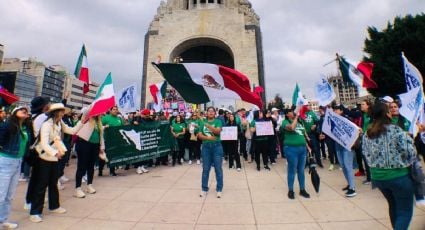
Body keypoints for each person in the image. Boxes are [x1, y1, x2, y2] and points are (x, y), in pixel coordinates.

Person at [362, 101, 417, 230]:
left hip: (378, 178)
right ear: (387, 114)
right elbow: (411, 152)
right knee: (405, 211)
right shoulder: (396, 130)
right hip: (398, 176)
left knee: (393, 205)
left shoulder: (367, 133)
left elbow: (365, 153)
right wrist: (409, 140)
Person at [29, 103, 84, 223]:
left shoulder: (59, 123)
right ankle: (35, 212)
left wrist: (82, 121)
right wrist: (55, 153)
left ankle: (54, 206)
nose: (63, 113)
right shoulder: (47, 125)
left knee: (53, 183)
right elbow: (44, 143)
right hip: (44, 157)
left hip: (54, 158)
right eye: (61, 111)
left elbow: (72, 130)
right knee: (41, 185)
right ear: (56, 112)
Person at [0, 107, 32, 229]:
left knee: (9, 195)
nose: (25, 112)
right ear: (15, 114)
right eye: (22, 111)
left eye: (26, 111)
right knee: (1, 194)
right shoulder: (7, 125)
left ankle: (3, 220)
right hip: (6, 160)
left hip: (18, 161)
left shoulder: (24, 128)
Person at [280, 109, 310, 199]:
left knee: (301, 170)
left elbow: (303, 135)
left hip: (302, 149)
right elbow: (292, 128)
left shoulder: (300, 122)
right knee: (292, 170)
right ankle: (291, 190)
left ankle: (302, 189)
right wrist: (296, 117)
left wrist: (307, 145)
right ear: (287, 114)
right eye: (291, 112)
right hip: (291, 149)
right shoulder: (285, 122)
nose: (293, 112)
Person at [74, 114, 105, 198]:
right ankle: (78, 188)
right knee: (81, 166)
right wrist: (86, 117)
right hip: (84, 144)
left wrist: (102, 146)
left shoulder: (99, 122)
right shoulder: (86, 119)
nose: (99, 114)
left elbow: (101, 135)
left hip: (95, 146)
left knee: (91, 166)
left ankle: (89, 185)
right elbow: (78, 128)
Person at [198, 107, 224, 198]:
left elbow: (217, 131)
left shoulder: (218, 121)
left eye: (212, 111)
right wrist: (208, 138)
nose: (211, 112)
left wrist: (208, 125)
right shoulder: (202, 122)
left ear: (215, 113)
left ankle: (219, 189)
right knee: (205, 169)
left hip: (217, 147)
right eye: (209, 111)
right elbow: (199, 135)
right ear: (207, 113)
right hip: (206, 148)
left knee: (218, 169)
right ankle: (204, 188)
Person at [333, 105, 357, 197]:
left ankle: (352, 188)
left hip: (347, 147)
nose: (335, 111)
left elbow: (354, 130)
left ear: (341, 111)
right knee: (343, 166)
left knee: (348, 166)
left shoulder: (347, 120)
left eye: (336, 109)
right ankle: (349, 184)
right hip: (338, 146)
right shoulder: (334, 120)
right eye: (334, 109)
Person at [100, 106, 124, 176]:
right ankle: (100, 170)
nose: (115, 111)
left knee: (113, 156)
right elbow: (99, 126)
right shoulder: (105, 118)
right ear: (110, 111)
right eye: (114, 109)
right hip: (107, 140)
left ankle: (112, 171)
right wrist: (105, 127)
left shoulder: (119, 119)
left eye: (116, 109)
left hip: (116, 140)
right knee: (104, 156)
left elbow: (122, 127)